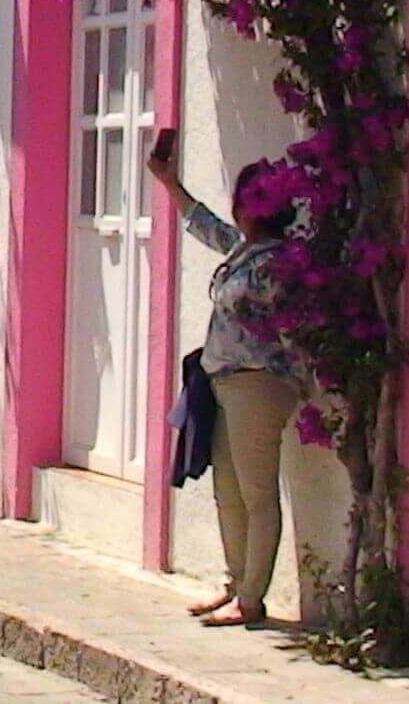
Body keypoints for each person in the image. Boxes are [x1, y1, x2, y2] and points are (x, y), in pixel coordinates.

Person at [146, 148, 301, 629]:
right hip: (224, 382)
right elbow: (204, 224)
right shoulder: (246, 251)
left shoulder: (279, 264)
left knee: (256, 494)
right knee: (228, 492)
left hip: (258, 384)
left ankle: (252, 598)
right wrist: (170, 182)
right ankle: (237, 584)